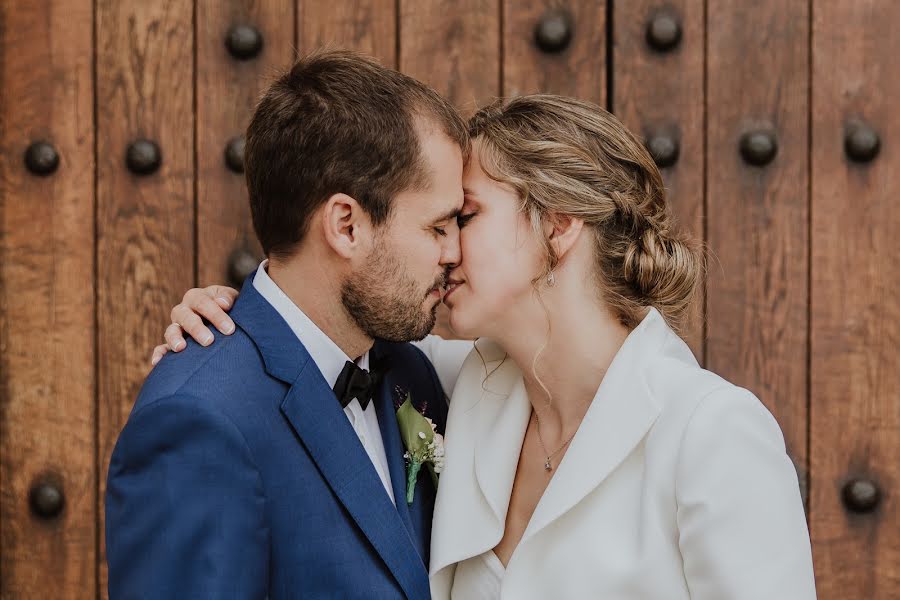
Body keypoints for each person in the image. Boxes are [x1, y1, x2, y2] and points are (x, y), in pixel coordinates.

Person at [157, 95, 817, 599]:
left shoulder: (712, 434)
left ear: (557, 225)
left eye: (464, 217)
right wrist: (233, 321)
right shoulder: (452, 384)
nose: (443, 249)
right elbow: (317, 333)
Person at [105, 49, 470, 599]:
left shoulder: (411, 373)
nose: (455, 252)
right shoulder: (200, 418)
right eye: (438, 227)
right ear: (346, 225)